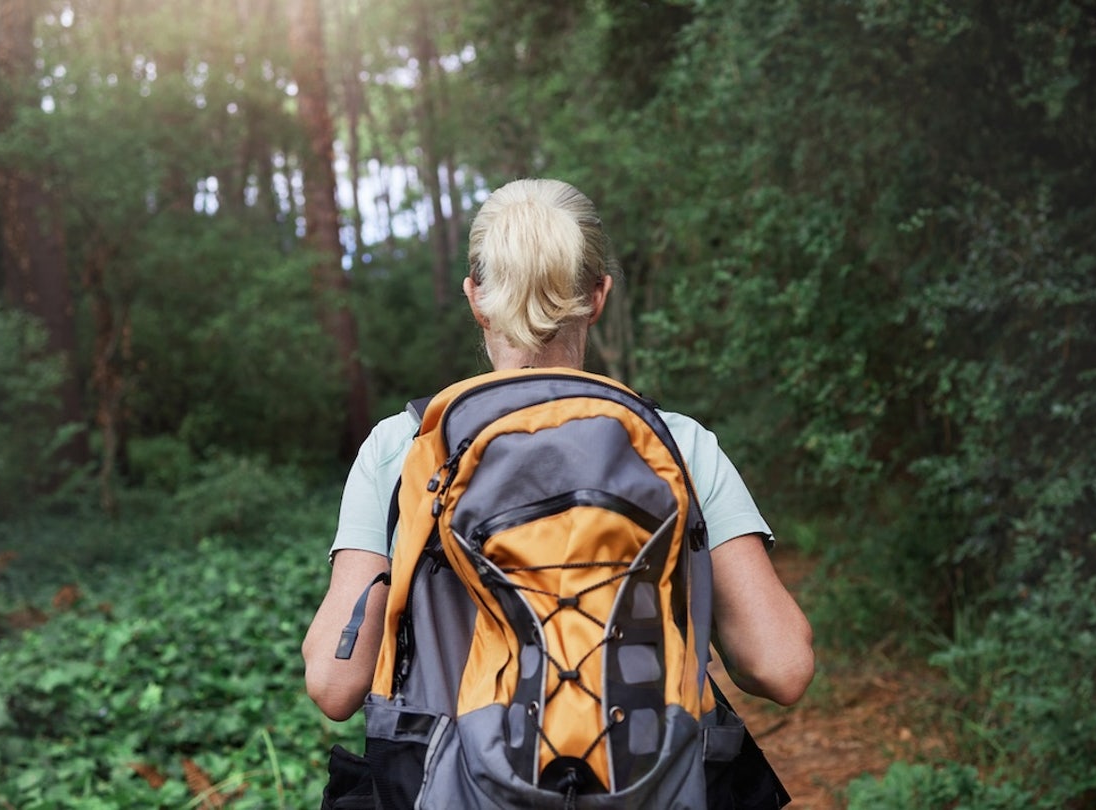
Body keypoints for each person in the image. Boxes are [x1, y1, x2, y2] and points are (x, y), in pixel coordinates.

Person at [301, 178, 814, 724]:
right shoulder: (676, 442)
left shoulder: (402, 446)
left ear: (476, 298)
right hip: (639, 779)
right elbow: (779, 665)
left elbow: (336, 684)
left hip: (455, 782)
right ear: (598, 296)